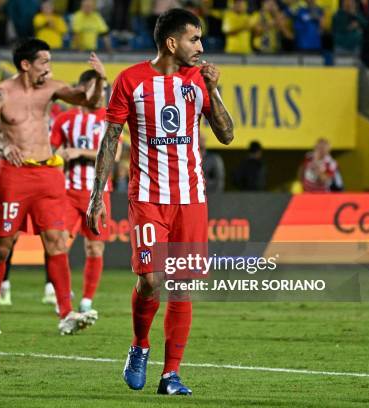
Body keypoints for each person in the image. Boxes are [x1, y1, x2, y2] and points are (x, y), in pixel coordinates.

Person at [86, 9, 235, 395]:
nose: (201, 47)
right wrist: (97, 196)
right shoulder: (131, 81)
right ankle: (140, 345)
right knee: (150, 281)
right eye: (194, 39)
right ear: (172, 43)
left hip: (191, 198)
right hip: (149, 196)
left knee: (182, 286)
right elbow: (111, 140)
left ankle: (171, 375)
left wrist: (215, 89)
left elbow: (227, 134)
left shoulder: (199, 80)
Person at [0, 38, 107, 335]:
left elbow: (88, 101)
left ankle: (66, 312)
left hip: (47, 175)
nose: (48, 69)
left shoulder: (51, 88)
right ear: (26, 65)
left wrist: (100, 79)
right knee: (2, 247)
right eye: (44, 63)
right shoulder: (1, 92)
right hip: (14, 175)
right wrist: (3, 146)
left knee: (56, 242)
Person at [50, 69, 120, 314]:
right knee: (58, 243)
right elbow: (50, 152)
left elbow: (117, 155)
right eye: (95, 86)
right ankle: (61, 294)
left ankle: (87, 300)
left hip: (99, 194)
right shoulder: (65, 119)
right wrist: (59, 157)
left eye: (102, 87)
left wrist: (80, 152)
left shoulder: (109, 118)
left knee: (95, 248)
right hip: (68, 192)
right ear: (81, 89)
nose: (100, 92)